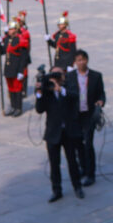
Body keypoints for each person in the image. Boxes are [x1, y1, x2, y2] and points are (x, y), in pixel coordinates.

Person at [34, 65, 85, 201]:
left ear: (63, 76)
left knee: (72, 161)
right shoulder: (47, 91)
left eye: (58, 75)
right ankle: (57, 190)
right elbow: (39, 109)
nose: (55, 78)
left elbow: (75, 97)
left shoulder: (68, 87)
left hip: (68, 132)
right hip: (53, 133)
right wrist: (39, 92)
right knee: (54, 164)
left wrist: (60, 89)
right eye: (53, 75)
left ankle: (77, 186)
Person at [67, 49, 105, 186]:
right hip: (76, 116)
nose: (81, 62)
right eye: (78, 60)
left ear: (87, 60)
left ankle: (91, 173)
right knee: (78, 144)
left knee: (88, 144)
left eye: (83, 59)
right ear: (75, 62)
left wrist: (101, 102)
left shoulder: (96, 76)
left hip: (89, 115)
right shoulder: (70, 76)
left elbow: (101, 93)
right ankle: (83, 168)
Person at [0, 19, 30, 116]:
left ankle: (18, 108)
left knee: (17, 89)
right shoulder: (7, 39)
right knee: (11, 88)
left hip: (17, 68)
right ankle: (12, 106)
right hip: (9, 67)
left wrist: (21, 71)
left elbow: (24, 57)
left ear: (16, 29)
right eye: (9, 29)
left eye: (11, 29)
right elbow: (3, 51)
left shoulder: (21, 40)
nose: (9, 31)